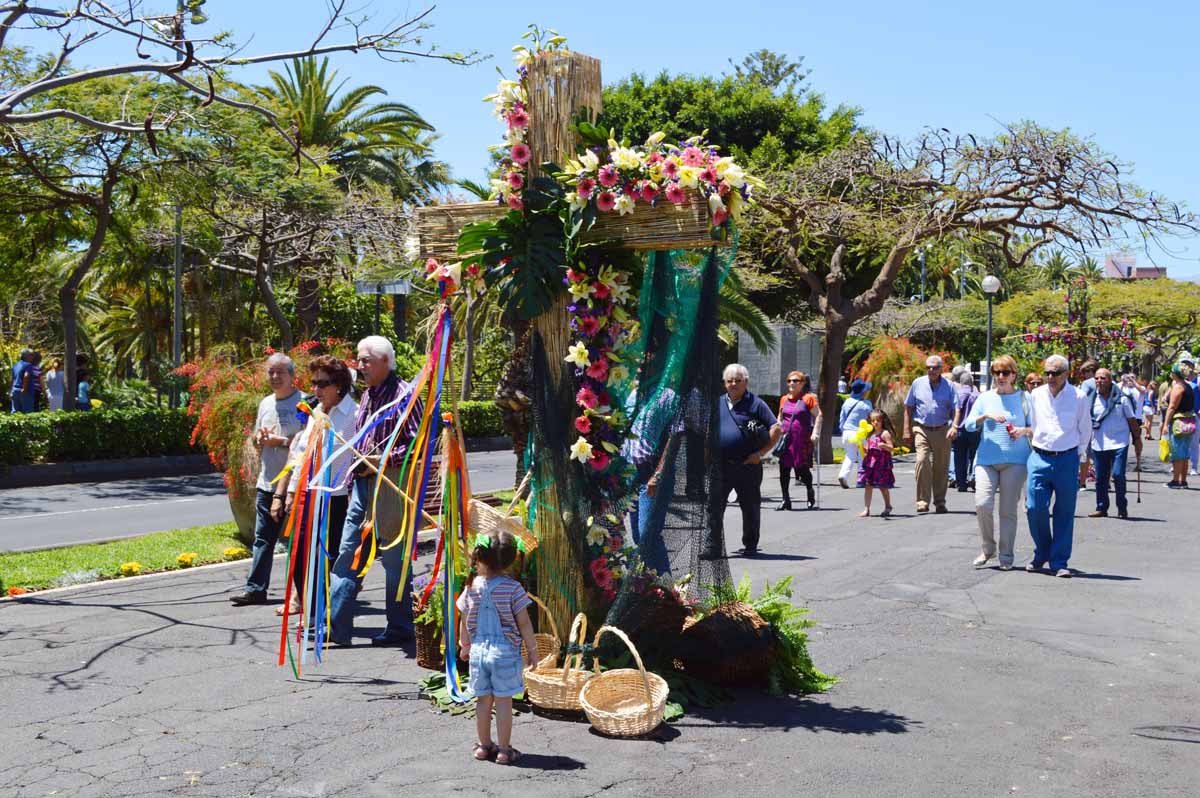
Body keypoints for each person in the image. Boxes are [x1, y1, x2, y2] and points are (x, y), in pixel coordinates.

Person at [328, 335, 421, 646]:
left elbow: (418, 447)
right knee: (347, 553)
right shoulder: (367, 395)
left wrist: (381, 460)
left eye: (366, 360)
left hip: (392, 485)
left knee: (394, 559)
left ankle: (400, 627)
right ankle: (336, 628)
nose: (360, 365)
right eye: (359, 359)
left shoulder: (406, 395)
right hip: (362, 485)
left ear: (385, 362)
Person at [272, 355, 359, 620]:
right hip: (307, 495)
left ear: (339, 385)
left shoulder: (353, 414)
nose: (316, 390)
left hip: (336, 497)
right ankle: (312, 611)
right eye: (314, 383)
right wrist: (289, 492)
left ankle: (326, 617)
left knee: (330, 559)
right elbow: (301, 454)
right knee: (299, 556)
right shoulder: (315, 413)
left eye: (323, 383)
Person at [456, 529, 539, 765]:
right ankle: (503, 750)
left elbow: (464, 619)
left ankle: (483, 746)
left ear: (479, 557)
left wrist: (465, 645)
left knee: (483, 701)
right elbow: (524, 623)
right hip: (504, 653)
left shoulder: (472, 587)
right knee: (504, 701)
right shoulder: (513, 589)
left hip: (479, 652)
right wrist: (532, 652)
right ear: (511, 559)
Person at [230, 353, 304, 606]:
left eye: (280, 372)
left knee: (298, 543)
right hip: (267, 483)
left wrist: (280, 442)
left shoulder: (305, 404)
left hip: (296, 486)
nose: (274, 376)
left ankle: (302, 596)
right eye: (271, 372)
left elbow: (307, 444)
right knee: (263, 539)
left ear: (292, 376)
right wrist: (259, 439)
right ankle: (255, 590)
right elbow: (255, 437)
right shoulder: (265, 403)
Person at [1023, 354, 1091, 578]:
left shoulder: (1079, 396)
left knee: (1064, 512)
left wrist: (1079, 458)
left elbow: (1085, 430)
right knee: (1034, 507)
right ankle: (1042, 551)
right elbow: (1033, 424)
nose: (1050, 377)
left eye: (1055, 373)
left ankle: (1059, 560)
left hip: (1067, 458)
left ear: (1066, 374)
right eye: (1047, 373)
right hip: (1040, 456)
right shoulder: (1036, 395)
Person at [964, 355, 1031, 570]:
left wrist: (1022, 432)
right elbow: (968, 425)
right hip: (986, 460)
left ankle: (1006, 555)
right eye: (996, 373)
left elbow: (1035, 428)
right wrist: (985, 417)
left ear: (1014, 375)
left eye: (1005, 372)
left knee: (1007, 511)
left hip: (1016, 460)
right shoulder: (984, 398)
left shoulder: (1024, 398)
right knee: (982, 504)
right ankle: (987, 549)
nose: (1000, 377)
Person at [717, 363, 780, 557]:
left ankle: (750, 545)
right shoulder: (717, 402)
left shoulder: (756, 403)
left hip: (748, 465)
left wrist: (761, 454)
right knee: (714, 508)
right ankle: (714, 546)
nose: (733, 384)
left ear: (746, 382)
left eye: (738, 380)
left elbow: (776, 429)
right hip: (721, 465)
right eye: (729, 381)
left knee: (750, 507)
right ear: (724, 383)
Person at [903, 355, 958, 513]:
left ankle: (940, 501)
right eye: (928, 367)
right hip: (922, 428)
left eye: (934, 367)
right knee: (921, 460)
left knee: (941, 467)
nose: (931, 370)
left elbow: (957, 408)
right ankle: (922, 500)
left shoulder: (949, 386)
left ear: (941, 369)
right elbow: (908, 407)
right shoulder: (917, 383)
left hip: (942, 429)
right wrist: (906, 430)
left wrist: (954, 426)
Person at [1087, 369, 1139, 519]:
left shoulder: (1122, 399)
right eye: (1096, 378)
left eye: (1103, 378)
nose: (1099, 381)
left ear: (1110, 380)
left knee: (1117, 475)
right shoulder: (1091, 399)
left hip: (1119, 443)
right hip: (1099, 443)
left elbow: (1132, 420)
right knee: (1101, 478)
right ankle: (1101, 507)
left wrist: (1137, 439)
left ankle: (1122, 507)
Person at [776, 370, 820, 510]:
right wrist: (777, 431)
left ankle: (809, 491)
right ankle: (785, 499)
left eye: (795, 381)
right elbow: (780, 417)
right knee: (784, 470)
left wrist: (816, 433)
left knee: (802, 469)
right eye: (789, 380)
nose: (791, 383)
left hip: (802, 439)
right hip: (786, 439)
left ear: (802, 383)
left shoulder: (808, 398)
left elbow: (819, 416)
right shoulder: (784, 399)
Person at [1162, 363, 1195, 489]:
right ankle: (1183, 480)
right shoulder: (1187, 386)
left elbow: (1172, 407)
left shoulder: (1178, 387)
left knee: (1176, 452)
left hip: (1178, 422)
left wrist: (1165, 424)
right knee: (1185, 452)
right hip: (1189, 421)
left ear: (1175, 374)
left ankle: (1176, 480)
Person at [856, 409, 895, 518]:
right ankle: (866, 509)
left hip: (881, 464)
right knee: (868, 485)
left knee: (883, 486)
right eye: (873, 420)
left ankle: (888, 506)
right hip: (871, 464)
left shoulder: (885, 433)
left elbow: (891, 448)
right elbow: (869, 448)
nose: (875, 423)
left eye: (878, 420)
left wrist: (884, 445)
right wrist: (863, 448)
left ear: (882, 421)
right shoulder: (870, 433)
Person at [837, 379, 873, 489]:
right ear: (862, 392)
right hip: (860, 433)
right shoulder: (866, 404)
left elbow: (842, 419)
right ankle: (861, 480)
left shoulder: (847, 402)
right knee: (863, 456)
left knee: (850, 456)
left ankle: (843, 475)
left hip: (847, 432)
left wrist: (843, 430)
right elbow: (871, 418)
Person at [951, 371, 980, 492]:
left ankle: (961, 482)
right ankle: (974, 477)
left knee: (959, 456)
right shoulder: (977, 395)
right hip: (974, 429)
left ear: (960, 382)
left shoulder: (957, 394)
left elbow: (953, 411)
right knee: (974, 455)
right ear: (972, 382)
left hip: (960, 429)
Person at [1076, 359, 1099, 489]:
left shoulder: (1087, 384)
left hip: (1088, 420)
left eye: (1085, 371)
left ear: (1091, 371)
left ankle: (1082, 481)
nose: (1084, 375)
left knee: (1085, 452)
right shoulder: (1109, 382)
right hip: (1102, 421)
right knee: (1101, 453)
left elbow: (1081, 400)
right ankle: (1105, 481)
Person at [9, 348, 35, 413]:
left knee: (15, 411)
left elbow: (12, 379)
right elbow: (26, 376)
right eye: (32, 355)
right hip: (25, 391)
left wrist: (10, 391)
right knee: (27, 413)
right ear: (27, 356)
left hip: (15, 390)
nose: (33, 357)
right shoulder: (28, 365)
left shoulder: (15, 365)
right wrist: (24, 388)